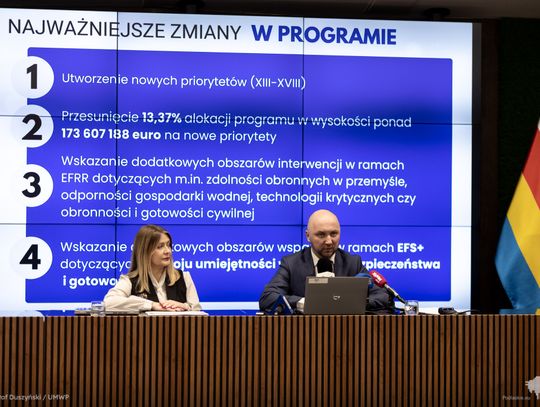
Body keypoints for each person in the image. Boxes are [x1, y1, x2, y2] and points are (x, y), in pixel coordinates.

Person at [259, 209, 394, 314]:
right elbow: (268, 297)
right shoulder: (291, 263)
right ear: (308, 236)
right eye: (321, 235)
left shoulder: (352, 263)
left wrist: (349, 303)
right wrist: (304, 303)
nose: (329, 241)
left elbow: (382, 296)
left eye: (334, 234)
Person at [104, 224, 201, 312]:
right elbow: (109, 302)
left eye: (168, 245)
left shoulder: (183, 277)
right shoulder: (130, 280)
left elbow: (197, 312)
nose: (167, 251)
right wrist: (151, 305)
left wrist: (185, 306)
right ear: (145, 252)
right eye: (160, 247)